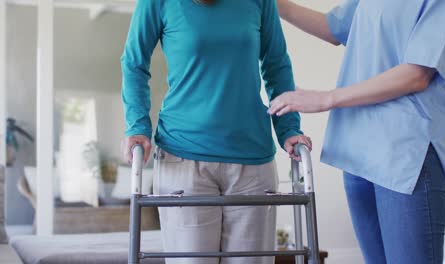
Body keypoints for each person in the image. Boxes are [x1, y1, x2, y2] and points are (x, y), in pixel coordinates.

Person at [271, 0, 445, 263]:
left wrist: (327, 98)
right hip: (359, 152)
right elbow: (333, 27)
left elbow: (417, 74)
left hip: (407, 152)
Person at [121, 1, 311, 264]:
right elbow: (134, 62)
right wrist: (138, 125)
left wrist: (288, 128)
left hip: (252, 159)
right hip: (183, 157)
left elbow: (276, 63)